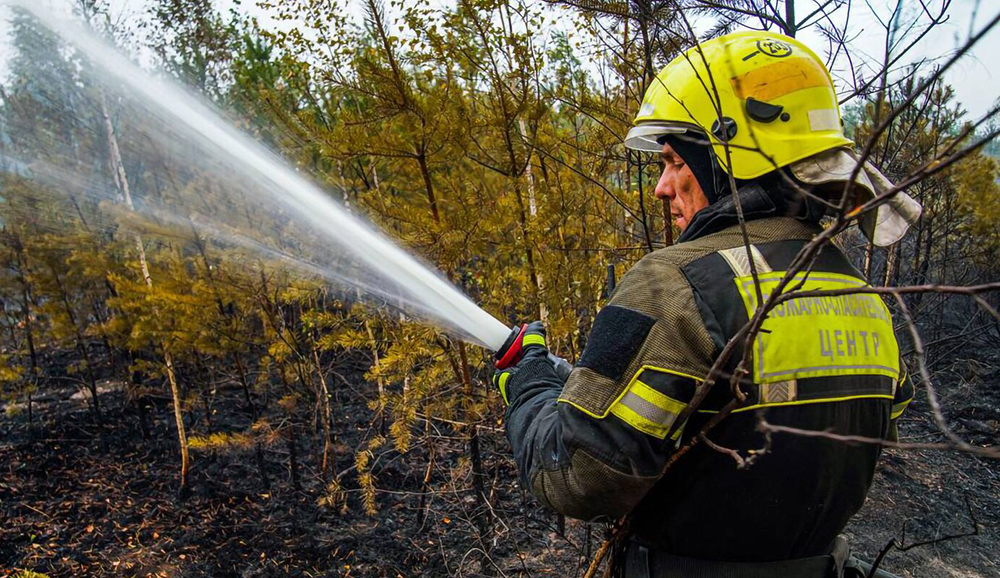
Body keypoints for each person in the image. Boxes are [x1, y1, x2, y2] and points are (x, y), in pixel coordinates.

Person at [493, 31, 919, 578]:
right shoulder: (855, 289)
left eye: (675, 161)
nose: (661, 188)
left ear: (727, 159)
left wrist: (530, 386)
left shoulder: (676, 281)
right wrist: (586, 388)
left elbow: (577, 473)